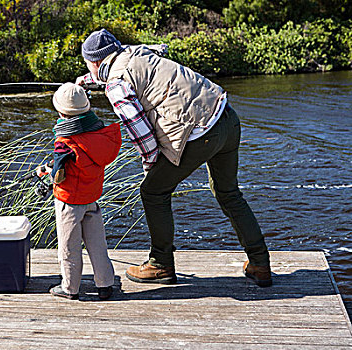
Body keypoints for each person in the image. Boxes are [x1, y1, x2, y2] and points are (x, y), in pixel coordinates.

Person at [75, 29, 272, 287]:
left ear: (96, 62)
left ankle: (160, 265)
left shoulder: (116, 86)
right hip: (227, 118)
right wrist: (91, 80)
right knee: (229, 193)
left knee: (153, 192)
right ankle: (260, 263)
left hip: (200, 133)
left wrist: (151, 164)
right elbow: (147, 59)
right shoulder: (139, 51)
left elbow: (140, 130)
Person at [37, 82, 122, 300]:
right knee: (97, 245)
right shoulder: (99, 136)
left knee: (69, 247)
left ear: (60, 112)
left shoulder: (64, 142)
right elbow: (80, 164)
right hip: (91, 198)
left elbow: (59, 174)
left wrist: (46, 171)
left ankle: (70, 288)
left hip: (69, 203)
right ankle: (105, 285)